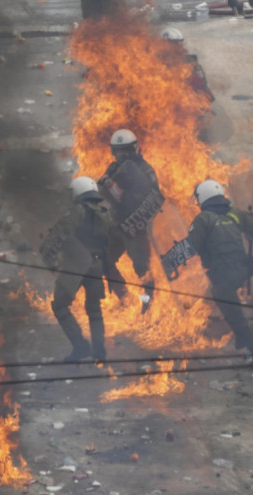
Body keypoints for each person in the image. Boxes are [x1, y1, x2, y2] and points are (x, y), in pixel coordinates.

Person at [41, 177, 127, 363]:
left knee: (60, 305)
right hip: (97, 266)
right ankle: (99, 350)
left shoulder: (77, 211)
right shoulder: (105, 214)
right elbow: (114, 240)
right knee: (94, 310)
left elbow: (60, 234)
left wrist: (49, 256)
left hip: (76, 266)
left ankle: (80, 346)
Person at [187, 180, 253, 359]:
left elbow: (191, 247)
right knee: (222, 301)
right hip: (243, 270)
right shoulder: (235, 214)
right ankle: (235, 339)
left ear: (204, 198)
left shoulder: (203, 219)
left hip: (223, 276)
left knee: (233, 312)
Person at [98, 129, 162, 309]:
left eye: (126, 150)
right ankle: (124, 299)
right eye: (119, 151)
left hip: (136, 228)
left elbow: (153, 197)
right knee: (104, 261)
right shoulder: (113, 169)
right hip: (117, 225)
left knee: (142, 269)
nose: (123, 155)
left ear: (134, 149)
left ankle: (147, 304)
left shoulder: (145, 170)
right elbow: (103, 193)